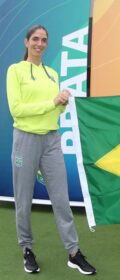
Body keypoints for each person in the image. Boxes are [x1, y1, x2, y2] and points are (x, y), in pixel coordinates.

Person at [6, 25, 96, 275]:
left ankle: (74, 252)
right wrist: (52, 102)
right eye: (35, 39)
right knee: (23, 200)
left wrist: (62, 103)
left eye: (44, 40)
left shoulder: (52, 73)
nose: (40, 43)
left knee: (61, 199)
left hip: (51, 140)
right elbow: (17, 110)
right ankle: (26, 249)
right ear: (26, 42)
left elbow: (54, 111)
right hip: (25, 140)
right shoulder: (15, 70)